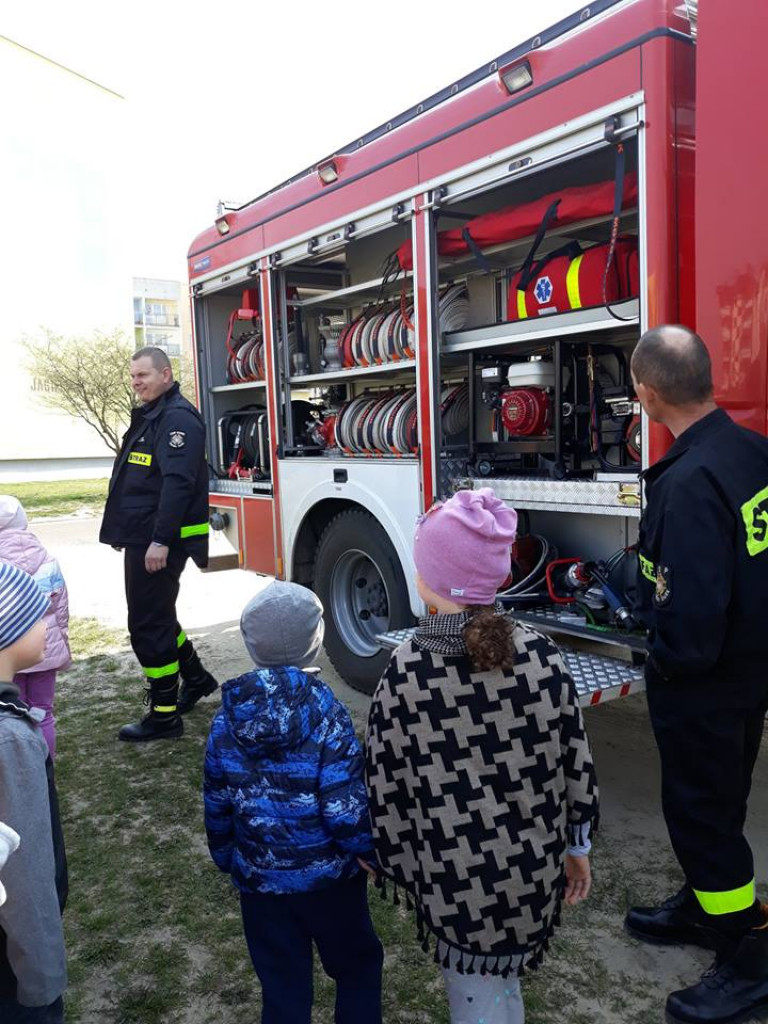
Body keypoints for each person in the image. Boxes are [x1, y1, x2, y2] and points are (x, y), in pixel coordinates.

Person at [365, 488, 599, 1024]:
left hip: (457, 881)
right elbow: (574, 760)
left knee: (477, 994)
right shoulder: (541, 654)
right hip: (530, 871)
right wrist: (576, 844)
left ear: (432, 581)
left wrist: (382, 851)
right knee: (497, 982)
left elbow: (382, 776)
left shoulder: (408, 672)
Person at [626, 324, 768, 1024]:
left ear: (648, 395)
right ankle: (700, 907)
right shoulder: (751, 452)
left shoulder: (686, 485)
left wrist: (663, 664)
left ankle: (749, 960)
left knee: (704, 819)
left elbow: (691, 610)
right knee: (724, 801)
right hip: (749, 672)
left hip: (704, 686)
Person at [203, 581, 383, 1024]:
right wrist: (369, 851)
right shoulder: (329, 713)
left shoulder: (227, 718)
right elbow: (343, 806)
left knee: (283, 988)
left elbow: (218, 800)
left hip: (261, 885)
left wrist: (229, 857)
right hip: (332, 883)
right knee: (358, 968)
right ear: (316, 641)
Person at [100, 346, 217, 742]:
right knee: (159, 616)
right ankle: (197, 678)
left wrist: (159, 541)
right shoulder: (155, 415)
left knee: (148, 624)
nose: (136, 383)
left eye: (143, 376)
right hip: (144, 538)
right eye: (133, 376)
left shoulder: (177, 419)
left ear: (166, 374)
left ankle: (164, 716)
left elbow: (177, 485)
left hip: (157, 543)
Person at [0, 562, 68, 1023]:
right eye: (36, 616)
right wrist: (43, 981)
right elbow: (25, 881)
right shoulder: (11, 741)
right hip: (12, 967)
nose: (48, 622)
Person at [0, 496, 71, 757]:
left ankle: (20, 765)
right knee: (43, 711)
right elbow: (61, 608)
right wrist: (62, 639)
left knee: (11, 712)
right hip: (46, 649)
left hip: (10, 654)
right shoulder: (48, 560)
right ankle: (45, 765)